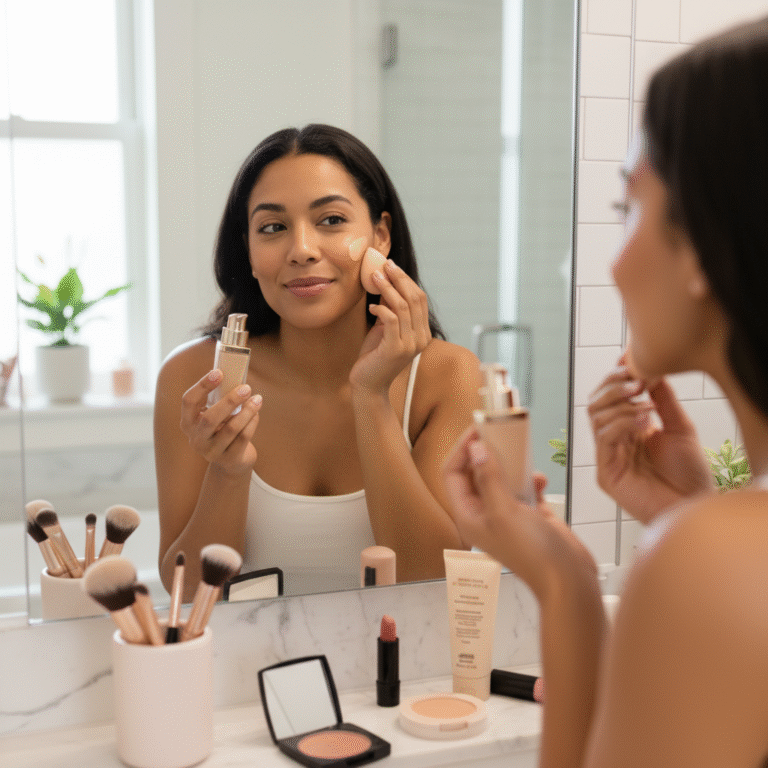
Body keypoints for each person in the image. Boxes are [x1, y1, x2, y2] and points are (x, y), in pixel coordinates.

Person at [442, 16, 768, 768]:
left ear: (703, 246)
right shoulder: (717, 545)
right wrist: (691, 517)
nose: (601, 265)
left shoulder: (708, 564)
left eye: (628, 209)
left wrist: (566, 586)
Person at [155, 124, 481, 601]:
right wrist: (227, 471)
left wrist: (371, 398)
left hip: (402, 672)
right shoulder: (197, 378)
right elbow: (187, 594)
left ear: (381, 237)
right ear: (248, 249)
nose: (302, 249)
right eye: (272, 227)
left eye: (330, 220)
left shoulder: (446, 378)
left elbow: (429, 580)